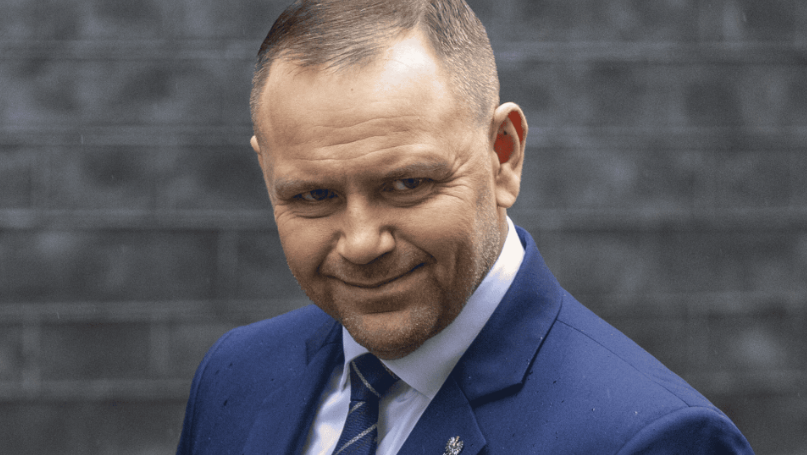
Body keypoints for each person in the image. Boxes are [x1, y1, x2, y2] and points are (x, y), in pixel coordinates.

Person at [176, 0, 754, 453]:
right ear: (267, 174)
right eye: (314, 195)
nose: (361, 243)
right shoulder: (235, 374)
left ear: (503, 156)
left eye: (408, 184)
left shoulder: (653, 439)